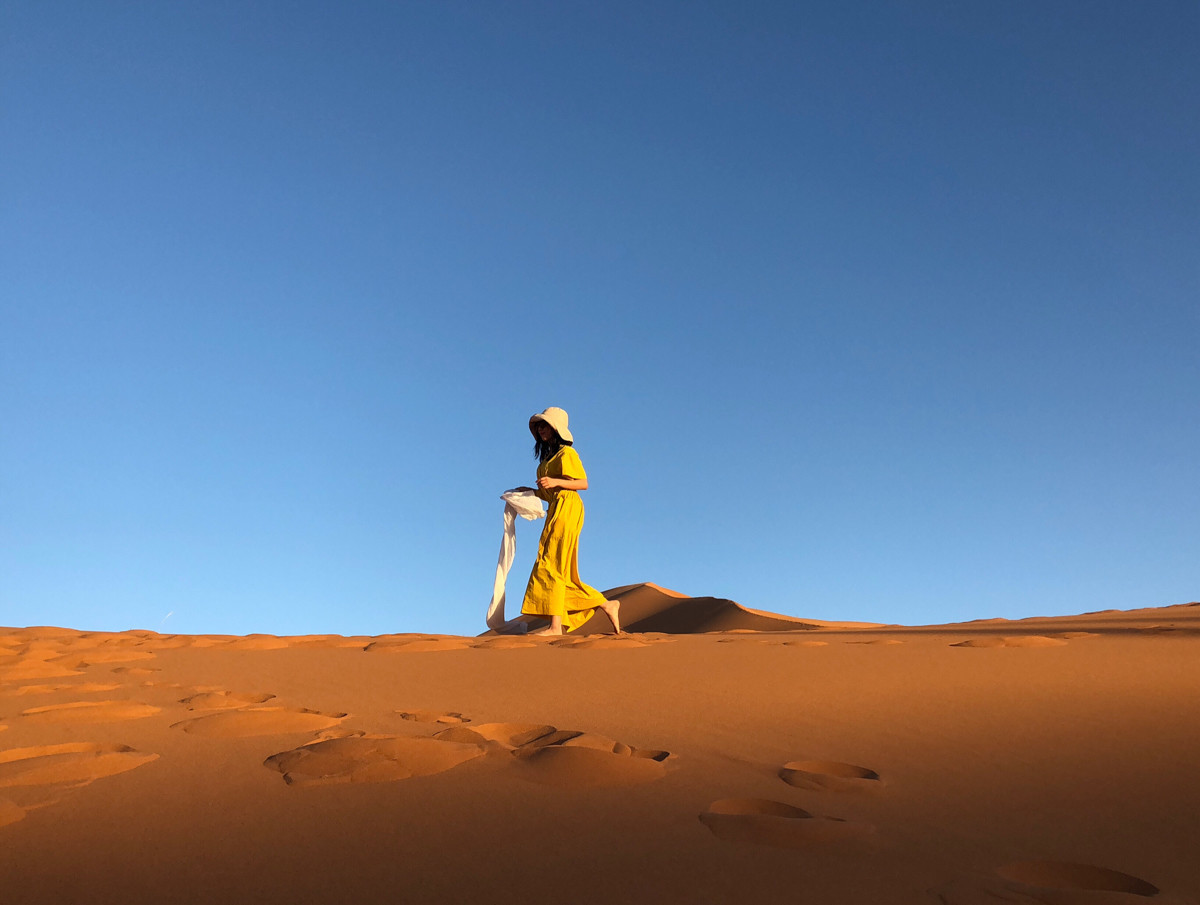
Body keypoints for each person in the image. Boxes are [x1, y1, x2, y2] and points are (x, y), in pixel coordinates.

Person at [508, 407, 621, 636]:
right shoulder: (548, 459)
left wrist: (554, 480)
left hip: (569, 506)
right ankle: (605, 604)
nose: (540, 429)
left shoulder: (567, 454)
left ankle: (555, 627)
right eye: (539, 425)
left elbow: (582, 483)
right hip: (556, 507)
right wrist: (530, 491)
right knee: (553, 564)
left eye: (545, 425)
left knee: (551, 563)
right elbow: (550, 492)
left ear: (556, 429)